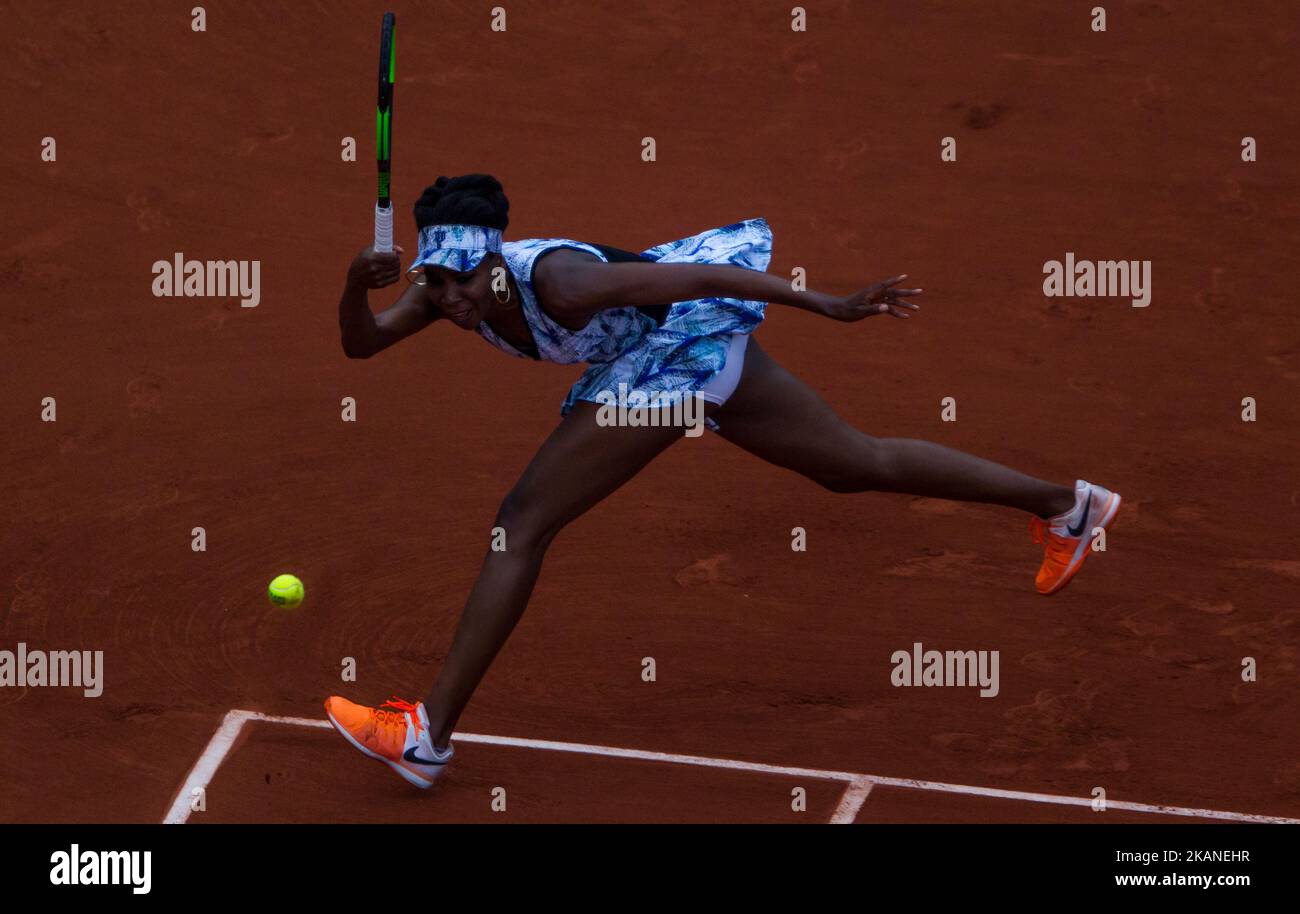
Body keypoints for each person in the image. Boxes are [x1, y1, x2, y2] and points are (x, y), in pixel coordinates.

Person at [324, 174, 1121, 789]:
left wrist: (827, 306)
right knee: (851, 465)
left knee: (522, 523)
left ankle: (426, 739)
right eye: (437, 281)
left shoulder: (563, 282)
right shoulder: (441, 293)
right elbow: (363, 347)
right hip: (690, 358)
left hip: (679, 354)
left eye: (463, 281)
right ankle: (1069, 507)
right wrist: (359, 283)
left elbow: (702, 282)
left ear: (497, 259)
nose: (452, 300)